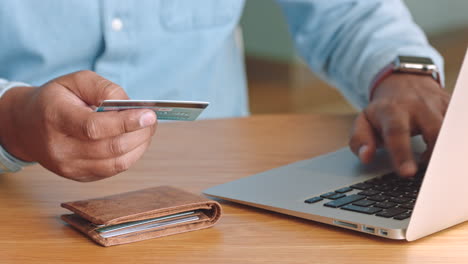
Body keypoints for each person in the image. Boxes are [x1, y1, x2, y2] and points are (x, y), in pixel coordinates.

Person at [0, 0, 450, 182]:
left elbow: (348, 12)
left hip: (219, 196)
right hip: (17, 193)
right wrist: (12, 119)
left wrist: (401, 75)